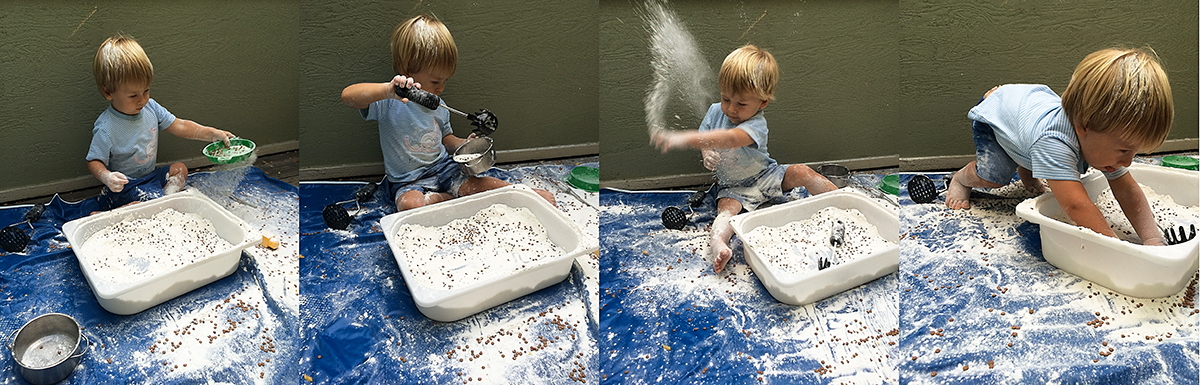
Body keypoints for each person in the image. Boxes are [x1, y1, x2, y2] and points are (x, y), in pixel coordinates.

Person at [947, 48, 1172, 245]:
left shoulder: (1101, 133)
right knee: (994, 176)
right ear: (1084, 124)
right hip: (996, 113)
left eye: (1135, 152)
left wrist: (1152, 238)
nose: (1128, 161)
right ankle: (962, 179)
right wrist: (1118, 248)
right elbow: (1076, 206)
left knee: (1038, 151)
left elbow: (1128, 190)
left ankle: (1026, 165)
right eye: (1124, 150)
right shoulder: (1054, 142)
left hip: (1027, 115)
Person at [652, 44, 838, 273]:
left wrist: (687, 139)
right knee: (724, 213)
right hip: (734, 187)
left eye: (741, 103)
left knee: (802, 172)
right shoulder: (714, 112)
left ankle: (841, 201)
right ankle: (719, 245)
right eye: (725, 98)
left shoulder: (757, 124)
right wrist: (706, 152)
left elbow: (731, 139)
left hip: (766, 175)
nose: (731, 109)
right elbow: (707, 138)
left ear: (762, 102)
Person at [341, 14, 554, 211]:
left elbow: (445, 139)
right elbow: (348, 96)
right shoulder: (389, 101)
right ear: (407, 72)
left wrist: (464, 144)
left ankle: (525, 194)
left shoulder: (439, 106)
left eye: (445, 81)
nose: (441, 87)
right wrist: (387, 90)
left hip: (443, 168)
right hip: (407, 181)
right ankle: (448, 200)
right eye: (435, 81)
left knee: (479, 184)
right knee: (409, 205)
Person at [87, 35, 234, 211]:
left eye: (146, 91)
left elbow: (179, 125)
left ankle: (163, 200)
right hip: (126, 186)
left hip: (152, 176)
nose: (142, 100)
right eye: (133, 95)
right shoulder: (106, 127)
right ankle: (132, 209)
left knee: (180, 169)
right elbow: (94, 161)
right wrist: (107, 177)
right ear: (108, 92)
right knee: (141, 205)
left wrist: (211, 134)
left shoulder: (150, 107)